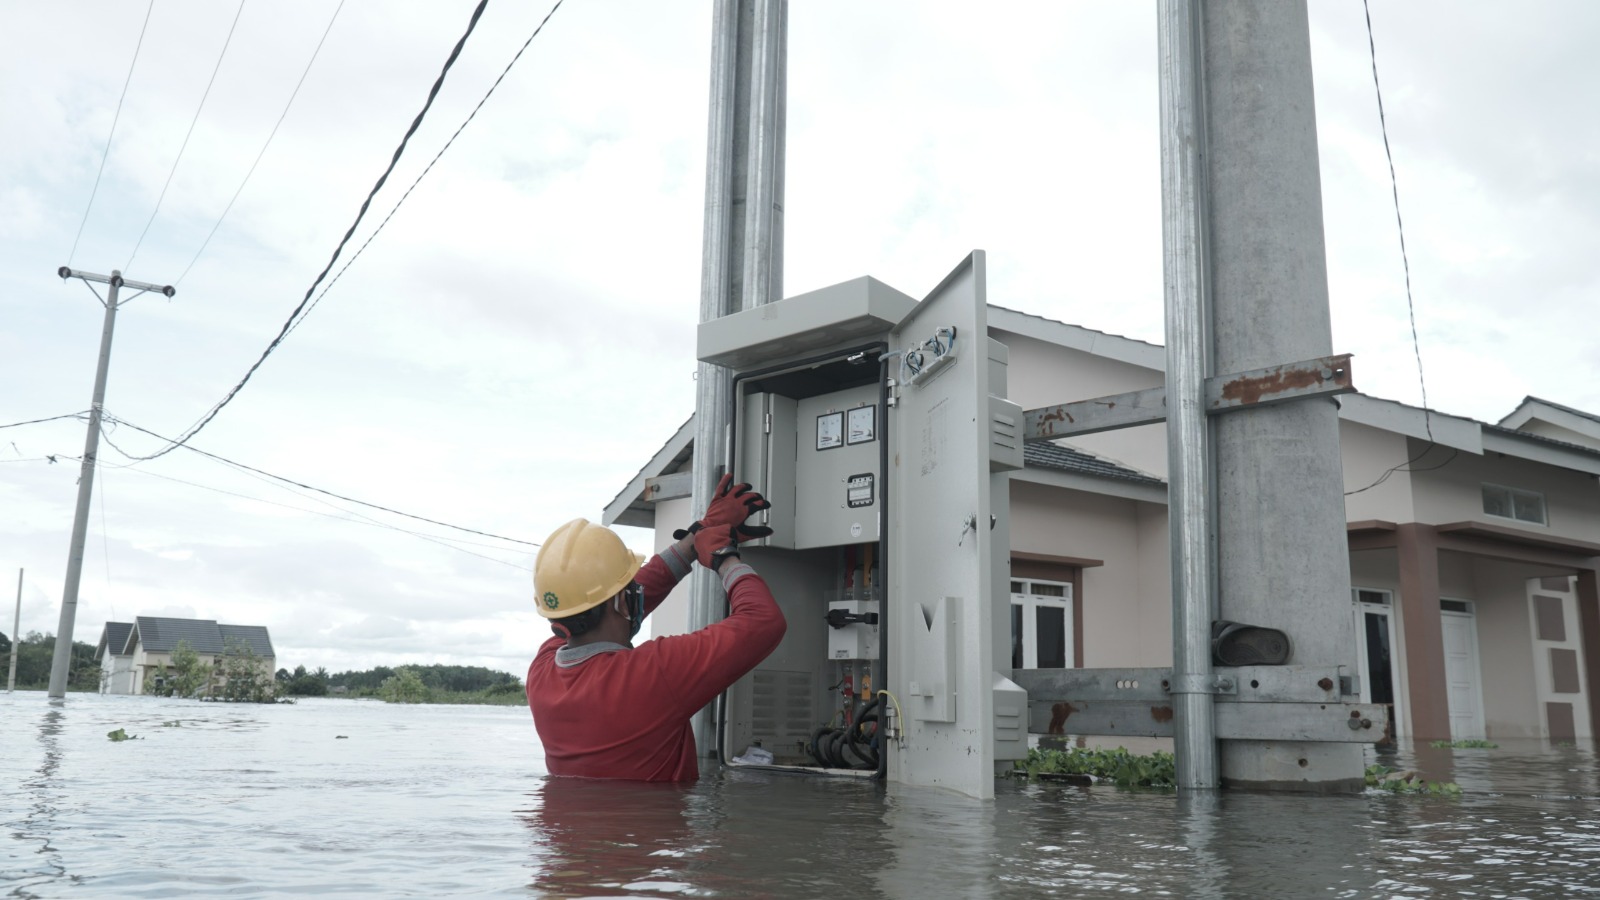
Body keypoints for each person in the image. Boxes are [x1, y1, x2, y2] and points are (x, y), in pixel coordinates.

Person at [526, 475, 786, 781]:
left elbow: (612, 608)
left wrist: (694, 540)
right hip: (652, 831)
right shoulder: (654, 673)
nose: (637, 590)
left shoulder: (541, 673)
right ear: (623, 603)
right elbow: (763, 620)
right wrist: (722, 555)